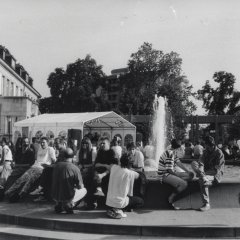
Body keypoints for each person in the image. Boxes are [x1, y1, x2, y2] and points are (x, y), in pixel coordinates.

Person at [5, 137, 56, 201]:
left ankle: (19, 195)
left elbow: (54, 161)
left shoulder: (50, 149)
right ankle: (8, 191)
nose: (42, 144)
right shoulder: (40, 148)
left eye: (44, 142)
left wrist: (47, 165)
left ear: (47, 143)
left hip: (42, 168)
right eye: (41, 142)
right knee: (21, 179)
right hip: (34, 167)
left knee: (30, 180)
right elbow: (37, 160)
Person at [158, 139, 194, 210]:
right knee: (184, 184)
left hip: (170, 172)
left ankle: (178, 182)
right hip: (164, 175)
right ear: (178, 148)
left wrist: (188, 171)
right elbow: (169, 170)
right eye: (181, 148)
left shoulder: (173, 152)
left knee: (191, 175)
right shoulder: (170, 153)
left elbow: (179, 163)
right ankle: (170, 198)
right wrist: (178, 177)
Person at [191, 136, 225, 211]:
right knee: (193, 163)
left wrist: (203, 173)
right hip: (205, 173)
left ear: (209, 145)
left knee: (201, 180)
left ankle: (207, 204)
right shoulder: (205, 151)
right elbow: (201, 162)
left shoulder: (219, 153)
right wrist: (201, 169)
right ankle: (203, 177)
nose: (205, 147)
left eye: (206, 145)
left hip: (215, 174)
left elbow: (217, 169)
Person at [106, 153, 144, 219]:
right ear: (130, 163)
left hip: (109, 201)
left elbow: (110, 166)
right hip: (120, 202)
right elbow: (139, 175)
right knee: (140, 202)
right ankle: (120, 210)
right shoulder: (129, 173)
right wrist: (133, 170)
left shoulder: (114, 167)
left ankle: (113, 209)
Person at [52, 148, 87, 214]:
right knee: (84, 190)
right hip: (68, 195)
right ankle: (69, 204)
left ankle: (59, 204)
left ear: (63, 156)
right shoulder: (75, 168)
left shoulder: (56, 166)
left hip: (55, 195)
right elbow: (80, 186)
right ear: (73, 157)